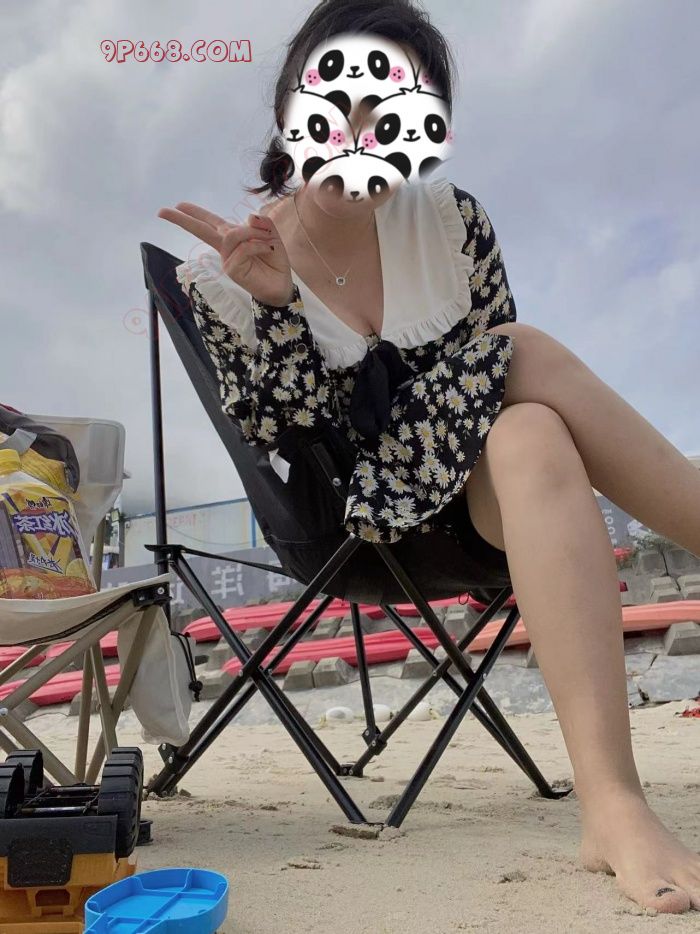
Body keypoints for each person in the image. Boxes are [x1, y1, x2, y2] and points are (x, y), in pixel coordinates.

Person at [157, 0, 700, 915]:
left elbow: (503, 402)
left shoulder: (450, 223)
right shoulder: (226, 272)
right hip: (351, 524)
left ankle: (612, 802)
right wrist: (279, 307)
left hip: (480, 513)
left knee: (531, 426)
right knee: (520, 350)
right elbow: (281, 445)